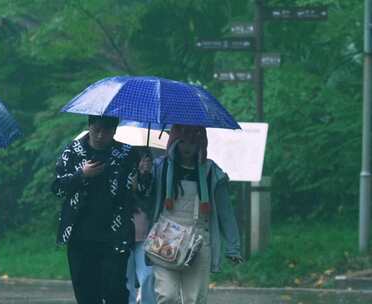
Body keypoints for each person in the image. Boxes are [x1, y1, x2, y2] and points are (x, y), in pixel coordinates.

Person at [52, 115, 144, 304]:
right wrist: (81, 175)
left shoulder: (127, 154)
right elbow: (57, 188)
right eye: (97, 130)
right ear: (89, 126)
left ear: (115, 131)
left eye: (106, 131)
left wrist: (144, 175)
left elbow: (142, 192)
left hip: (115, 233)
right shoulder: (73, 151)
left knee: (115, 291)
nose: (101, 136)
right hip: (80, 233)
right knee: (86, 292)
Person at [148, 124, 243, 304]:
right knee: (167, 295)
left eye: (193, 142)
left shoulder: (212, 172)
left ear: (201, 144)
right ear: (174, 142)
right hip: (165, 236)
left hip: (199, 240)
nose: (187, 147)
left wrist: (233, 247)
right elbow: (145, 197)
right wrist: (144, 175)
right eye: (182, 141)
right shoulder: (159, 168)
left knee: (195, 299)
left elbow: (226, 213)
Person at [126, 150, 156, 304]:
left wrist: (139, 189)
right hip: (125, 236)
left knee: (148, 276)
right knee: (126, 280)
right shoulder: (126, 178)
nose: (146, 164)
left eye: (149, 161)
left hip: (145, 236)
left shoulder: (154, 181)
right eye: (143, 161)